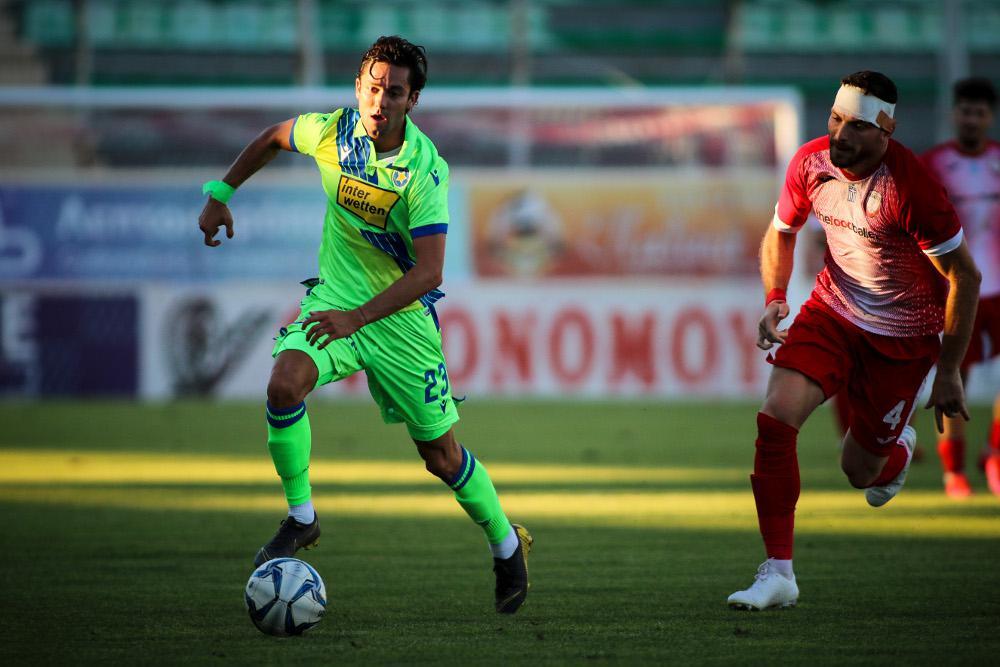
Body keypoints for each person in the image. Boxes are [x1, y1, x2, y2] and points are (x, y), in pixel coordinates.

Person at [196, 35, 532, 614]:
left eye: (394, 92)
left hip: (401, 323)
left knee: (441, 457)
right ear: (358, 88)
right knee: (284, 385)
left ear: (412, 100)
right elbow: (273, 136)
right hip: (336, 300)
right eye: (373, 88)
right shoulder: (332, 132)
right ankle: (302, 518)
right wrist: (220, 192)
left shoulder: (424, 171)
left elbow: (429, 272)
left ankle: (506, 546)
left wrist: (357, 319)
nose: (380, 101)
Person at [727, 71, 981, 611]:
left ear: (886, 132)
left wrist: (949, 371)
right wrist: (775, 296)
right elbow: (781, 231)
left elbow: (965, 276)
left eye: (857, 126)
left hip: (903, 338)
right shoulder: (810, 163)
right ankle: (778, 573)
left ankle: (895, 449)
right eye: (836, 118)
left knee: (860, 472)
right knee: (775, 418)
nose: (840, 134)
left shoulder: (911, 189)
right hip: (834, 311)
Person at [922, 77, 1000, 498]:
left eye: (979, 112)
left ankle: (995, 455)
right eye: (965, 111)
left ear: (990, 117)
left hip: (999, 289)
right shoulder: (933, 164)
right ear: (955, 114)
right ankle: (954, 471)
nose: (971, 119)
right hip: (954, 291)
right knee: (955, 377)